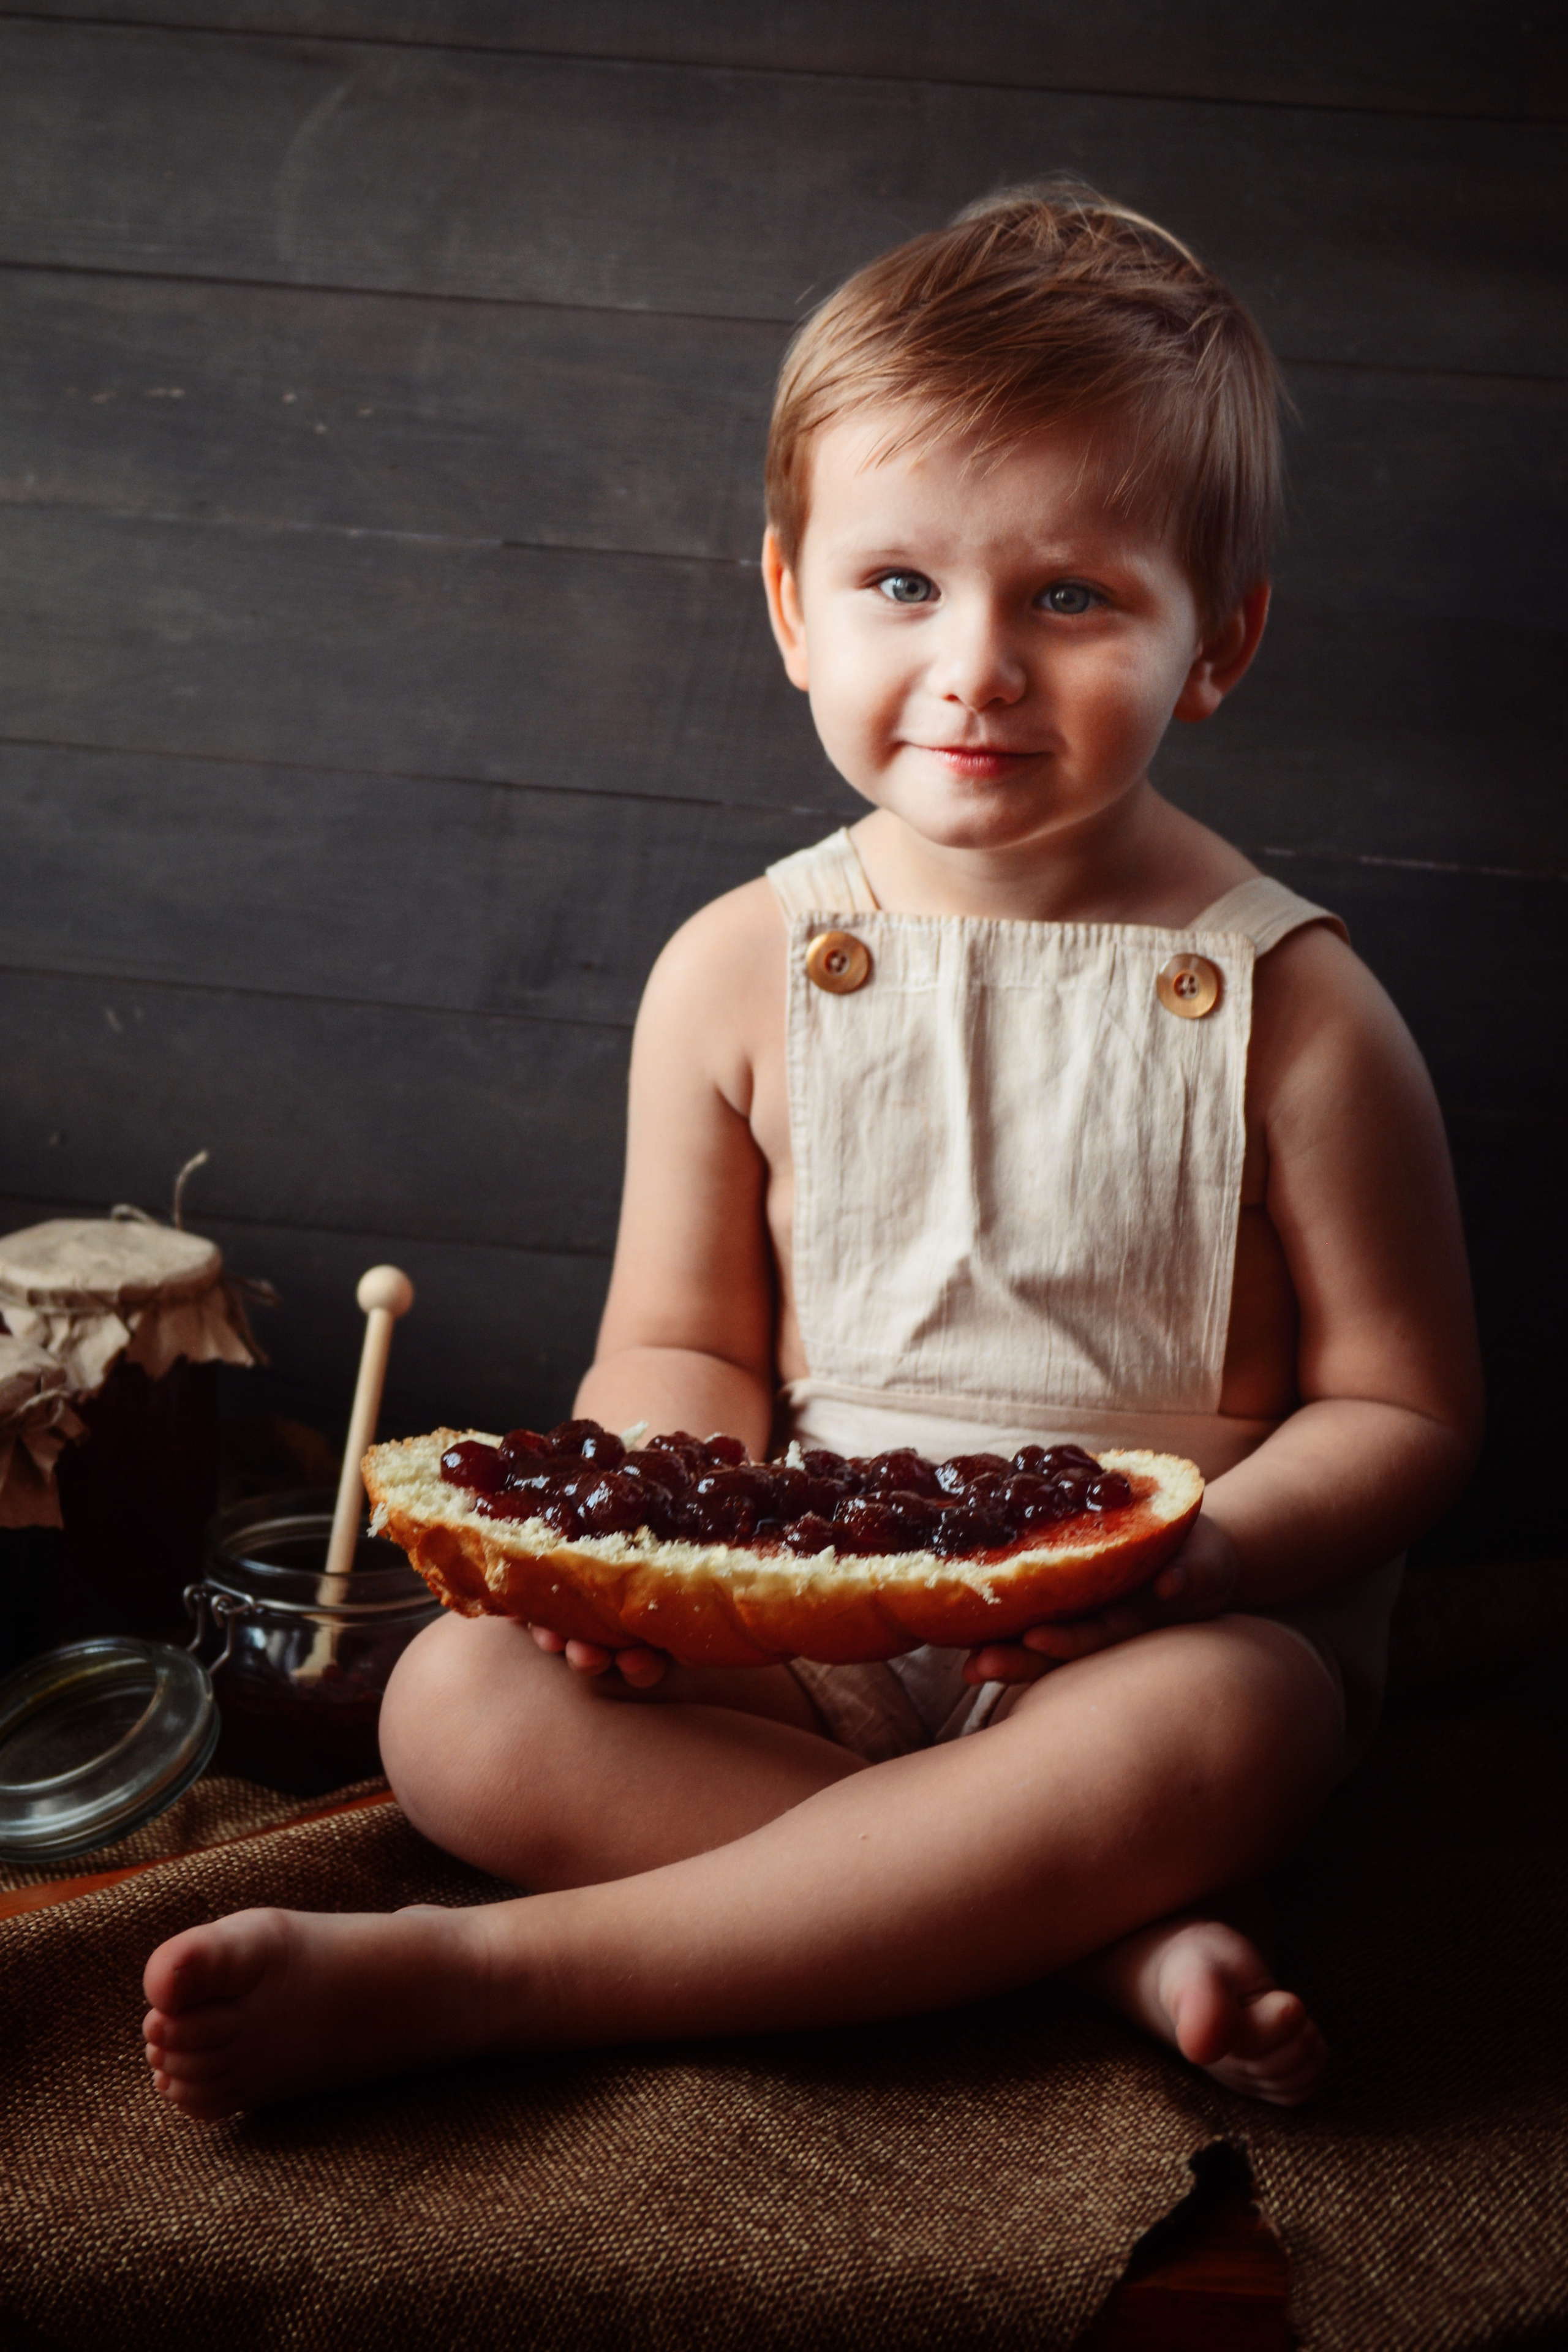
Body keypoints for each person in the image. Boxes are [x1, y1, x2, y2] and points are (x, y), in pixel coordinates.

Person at [142, 185, 1482, 2123]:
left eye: (1073, 598)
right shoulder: (735, 970)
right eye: (902, 584)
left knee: (1234, 1732)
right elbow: (681, 1346)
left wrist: (1211, 1558)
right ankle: (1082, 1935)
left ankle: (492, 1979)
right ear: (791, 605)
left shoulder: (1302, 1009)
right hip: (800, 1627)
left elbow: (1406, 1409)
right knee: (453, 1704)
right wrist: (642, 1569)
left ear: (1221, 639)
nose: (978, 665)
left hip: (1137, 1652)